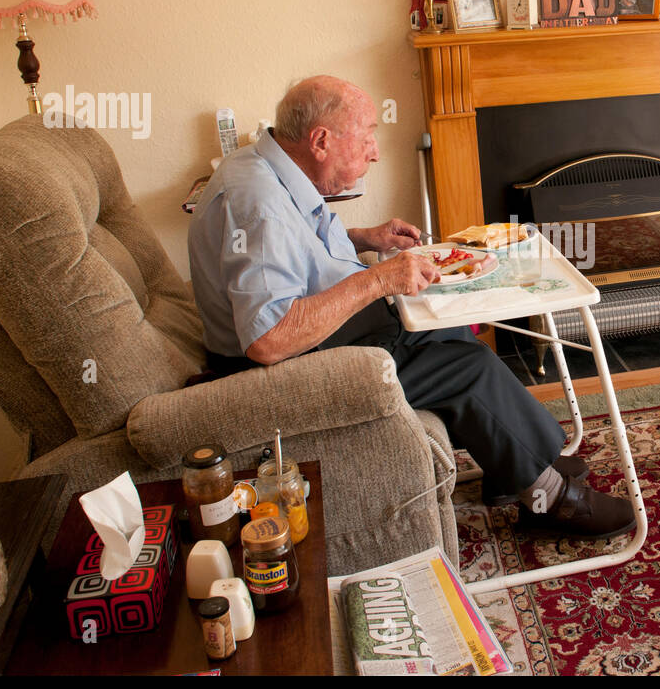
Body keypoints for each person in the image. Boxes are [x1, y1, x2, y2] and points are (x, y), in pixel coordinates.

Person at [188, 76, 634, 538]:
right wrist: (378, 277)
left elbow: (292, 248)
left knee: (445, 321)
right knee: (466, 367)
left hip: (303, 336)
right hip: (274, 370)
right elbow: (268, 338)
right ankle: (551, 501)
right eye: (367, 136)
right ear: (320, 140)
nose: (376, 151)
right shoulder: (259, 204)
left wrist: (363, 238)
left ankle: (518, 463)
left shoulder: (266, 164)